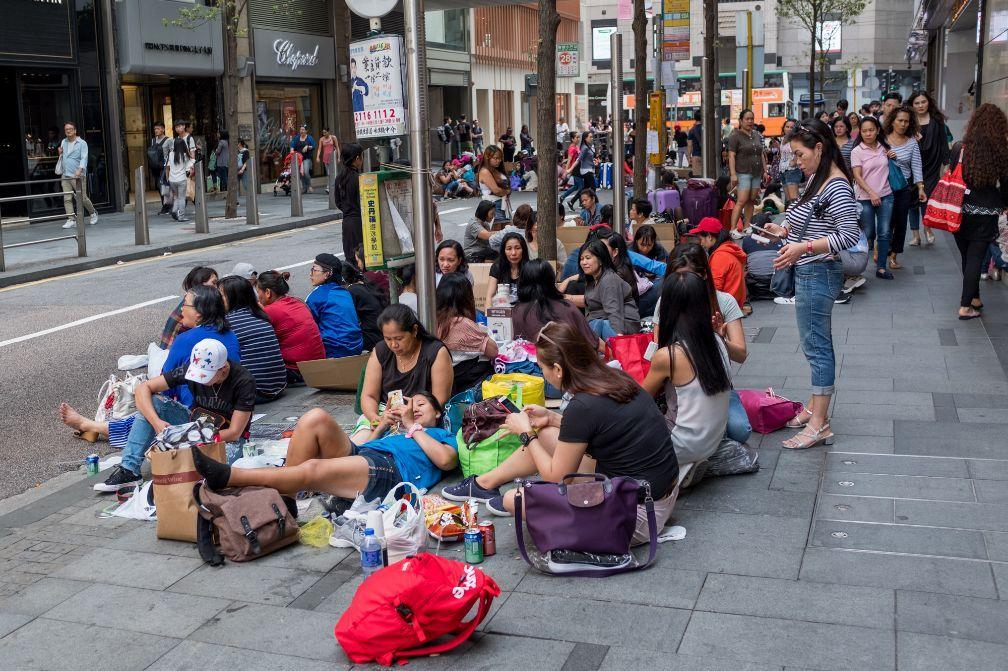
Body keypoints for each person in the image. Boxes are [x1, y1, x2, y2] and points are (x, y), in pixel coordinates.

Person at [441, 322, 680, 547]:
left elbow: (556, 476)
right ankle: (485, 483)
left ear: (557, 368)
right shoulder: (614, 377)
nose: (542, 374)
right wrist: (553, 418)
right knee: (546, 433)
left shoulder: (583, 405)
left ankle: (539, 502)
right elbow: (601, 428)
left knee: (514, 499)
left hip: (637, 515)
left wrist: (526, 433)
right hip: (656, 492)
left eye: (542, 368)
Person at [764, 119, 861, 450]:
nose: (797, 160)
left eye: (800, 153)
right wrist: (783, 230)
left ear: (819, 147)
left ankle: (819, 423)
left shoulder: (836, 185)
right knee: (814, 345)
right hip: (810, 269)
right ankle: (813, 408)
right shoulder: (817, 179)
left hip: (818, 271)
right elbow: (806, 216)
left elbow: (849, 234)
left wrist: (803, 247)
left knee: (817, 348)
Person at [191, 392, 457, 510]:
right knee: (315, 417)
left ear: (437, 412)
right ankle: (288, 499)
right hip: (365, 456)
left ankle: (228, 476)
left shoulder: (442, 435)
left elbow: (445, 461)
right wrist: (385, 425)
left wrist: (412, 425)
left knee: (313, 470)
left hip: (392, 471)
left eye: (422, 404)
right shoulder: (400, 431)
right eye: (413, 404)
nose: (416, 408)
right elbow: (365, 447)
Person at [93, 339, 255, 491]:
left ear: (223, 369)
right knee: (155, 403)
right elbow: (144, 389)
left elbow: (235, 432)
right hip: (195, 423)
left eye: (206, 376)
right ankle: (129, 469)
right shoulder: (192, 368)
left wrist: (185, 437)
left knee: (209, 474)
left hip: (224, 437)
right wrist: (156, 423)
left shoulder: (243, 381)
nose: (200, 380)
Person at [641, 270, 733, 485]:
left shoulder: (670, 355)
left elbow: (639, 399)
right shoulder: (718, 341)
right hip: (712, 441)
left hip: (680, 444)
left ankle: (672, 471)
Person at [355, 305, 453, 440]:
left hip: (419, 417)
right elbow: (369, 396)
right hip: (384, 414)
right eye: (388, 339)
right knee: (359, 443)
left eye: (399, 338)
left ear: (414, 330)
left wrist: (409, 419)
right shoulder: (380, 351)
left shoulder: (436, 352)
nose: (393, 345)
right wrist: (375, 418)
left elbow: (439, 400)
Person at [949, 104, 1008, 320]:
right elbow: (1007, 184)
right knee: (975, 257)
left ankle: (974, 298)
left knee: (967, 256)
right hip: (987, 212)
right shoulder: (1001, 151)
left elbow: (951, 175)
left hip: (959, 210)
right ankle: (965, 306)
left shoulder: (959, 147)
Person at [161, 284, 242, 408]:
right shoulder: (231, 335)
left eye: (185, 304)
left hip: (196, 410)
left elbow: (166, 384)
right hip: (231, 407)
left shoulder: (185, 339)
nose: (182, 309)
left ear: (198, 312)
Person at [218, 275, 287, 403]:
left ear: (233, 297)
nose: (217, 300)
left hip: (255, 392)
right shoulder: (261, 315)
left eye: (221, 296)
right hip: (279, 386)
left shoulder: (229, 323)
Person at [512, 259, 601, 350]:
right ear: (551, 280)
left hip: (529, 361)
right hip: (566, 361)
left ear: (523, 281)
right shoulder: (566, 307)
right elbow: (592, 341)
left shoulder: (517, 310)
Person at [257, 270, 326, 384]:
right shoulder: (298, 302)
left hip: (298, 372)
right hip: (319, 365)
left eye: (258, 291)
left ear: (268, 292)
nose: (258, 296)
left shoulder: (270, 311)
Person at [436, 273, 498, 394]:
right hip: (466, 385)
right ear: (465, 297)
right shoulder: (462, 323)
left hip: (443, 382)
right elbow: (493, 351)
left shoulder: (432, 319)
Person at [850, 116, 895, 279]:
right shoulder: (857, 151)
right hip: (865, 197)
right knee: (869, 232)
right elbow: (857, 176)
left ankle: (881, 267)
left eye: (871, 130)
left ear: (877, 131)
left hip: (886, 196)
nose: (868, 134)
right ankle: (857, 264)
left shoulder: (884, 147)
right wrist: (871, 193)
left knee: (884, 232)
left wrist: (893, 155)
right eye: (864, 131)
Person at [883, 106, 926, 270]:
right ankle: (882, 248)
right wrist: (885, 155)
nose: (903, 124)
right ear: (892, 121)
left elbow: (916, 166)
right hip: (885, 185)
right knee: (886, 221)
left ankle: (893, 256)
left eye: (906, 121)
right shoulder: (883, 140)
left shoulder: (912, 143)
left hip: (904, 186)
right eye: (900, 120)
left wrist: (920, 188)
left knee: (901, 222)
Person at [569, 238, 640, 338]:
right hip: (603, 322)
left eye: (588, 258)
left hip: (623, 327)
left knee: (594, 326)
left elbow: (614, 311)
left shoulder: (609, 279)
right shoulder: (592, 279)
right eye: (581, 259)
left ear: (601, 260)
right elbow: (589, 300)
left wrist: (618, 340)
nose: (584, 262)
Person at [908, 91, 952, 247]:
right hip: (912, 165)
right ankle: (915, 235)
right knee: (912, 200)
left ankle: (927, 228)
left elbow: (943, 143)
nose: (920, 105)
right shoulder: (908, 121)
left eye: (923, 102)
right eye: (917, 103)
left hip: (932, 165)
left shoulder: (937, 120)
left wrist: (947, 163)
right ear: (912, 105)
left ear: (929, 103)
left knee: (927, 197)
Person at [305, 253, 364, 358]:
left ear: (327, 273)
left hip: (334, 351)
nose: (310, 274)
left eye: (314, 269)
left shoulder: (317, 295)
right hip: (357, 347)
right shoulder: (344, 292)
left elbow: (308, 326)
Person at [690, 217, 748, 308]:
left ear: (709, 237)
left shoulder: (720, 256)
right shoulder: (729, 248)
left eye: (700, 239)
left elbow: (715, 289)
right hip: (733, 303)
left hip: (725, 307)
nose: (700, 243)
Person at [727, 109, 767, 235]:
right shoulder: (735, 136)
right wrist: (733, 174)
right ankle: (733, 229)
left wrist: (765, 171)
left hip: (756, 172)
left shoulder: (756, 135)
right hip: (743, 172)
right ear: (741, 121)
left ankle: (747, 226)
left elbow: (761, 154)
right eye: (747, 119)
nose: (750, 121)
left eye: (752, 119)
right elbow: (731, 156)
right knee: (742, 200)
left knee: (752, 199)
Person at [160, 266, 218, 349]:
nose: (217, 287)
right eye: (214, 283)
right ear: (201, 284)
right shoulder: (191, 308)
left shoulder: (203, 303)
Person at [58, 121, 98, 229]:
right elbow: (63, 157)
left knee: (82, 198)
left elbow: (84, 158)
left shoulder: (82, 143)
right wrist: (60, 153)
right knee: (67, 198)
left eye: (70, 129)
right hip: (65, 174)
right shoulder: (63, 142)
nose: (68, 131)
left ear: (75, 130)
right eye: (66, 129)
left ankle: (93, 213)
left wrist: (80, 170)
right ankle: (71, 219)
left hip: (77, 175)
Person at [342, 254, 386, 350]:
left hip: (372, 339)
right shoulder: (365, 283)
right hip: (382, 333)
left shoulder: (352, 291)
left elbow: (348, 321)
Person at [335, 143, 365, 261]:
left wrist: (348, 209)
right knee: (361, 259)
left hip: (347, 222)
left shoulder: (340, 177)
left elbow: (338, 202)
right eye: (362, 156)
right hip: (359, 222)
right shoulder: (359, 179)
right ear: (357, 158)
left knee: (350, 258)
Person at [485, 232, 529, 307]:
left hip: (523, 313)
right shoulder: (497, 267)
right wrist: (488, 316)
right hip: (502, 312)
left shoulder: (530, 268)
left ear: (523, 250)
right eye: (509, 249)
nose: (513, 253)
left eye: (518, 248)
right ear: (503, 251)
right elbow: (490, 296)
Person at [165, 135, 194, 222]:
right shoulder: (184, 155)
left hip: (172, 180)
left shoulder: (170, 154)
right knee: (182, 198)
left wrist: (167, 178)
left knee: (177, 197)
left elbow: (167, 166)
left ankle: (174, 211)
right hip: (181, 179)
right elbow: (192, 161)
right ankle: (181, 217)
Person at [478, 145, 511, 222]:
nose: (498, 160)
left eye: (500, 158)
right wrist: (507, 191)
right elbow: (496, 190)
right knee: (498, 232)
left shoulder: (497, 169)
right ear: (487, 158)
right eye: (495, 158)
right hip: (493, 206)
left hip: (503, 204)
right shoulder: (485, 171)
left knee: (506, 231)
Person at [149, 122, 173, 214]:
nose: (156, 131)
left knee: (164, 185)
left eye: (158, 129)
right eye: (155, 129)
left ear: (163, 129)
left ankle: (169, 205)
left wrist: (170, 166)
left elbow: (172, 153)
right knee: (159, 187)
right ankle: (165, 205)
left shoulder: (169, 140)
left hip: (165, 166)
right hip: (155, 167)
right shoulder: (153, 140)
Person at [779, 118, 802, 204]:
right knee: (788, 200)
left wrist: (794, 161)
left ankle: (798, 216)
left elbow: (799, 151)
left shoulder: (796, 139)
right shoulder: (783, 139)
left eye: (791, 127)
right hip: (783, 170)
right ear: (783, 128)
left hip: (793, 170)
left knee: (794, 199)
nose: (789, 129)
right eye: (787, 126)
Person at [560, 132, 584, 209]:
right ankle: (575, 202)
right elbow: (569, 160)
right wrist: (566, 171)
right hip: (575, 169)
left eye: (578, 137)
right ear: (572, 139)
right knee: (581, 187)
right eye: (576, 137)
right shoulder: (572, 148)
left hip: (578, 168)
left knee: (576, 187)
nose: (578, 139)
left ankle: (563, 196)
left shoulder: (576, 146)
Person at [291, 125, 315, 193]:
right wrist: (292, 151)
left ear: (306, 131)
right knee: (301, 173)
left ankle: (309, 186)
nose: (301, 131)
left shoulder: (309, 138)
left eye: (303, 129)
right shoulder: (297, 138)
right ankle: (304, 188)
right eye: (301, 129)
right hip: (299, 159)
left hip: (306, 158)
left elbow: (313, 146)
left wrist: (307, 147)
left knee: (306, 172)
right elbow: (292, 145)